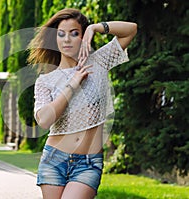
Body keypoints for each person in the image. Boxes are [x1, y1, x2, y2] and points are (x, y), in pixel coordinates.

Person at [28, 8, 137, 199]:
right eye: (61, 34)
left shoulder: (100, 62)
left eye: (74, 33)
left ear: (83, 36)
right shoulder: (45, 80)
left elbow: (131, 29)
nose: (67, 39)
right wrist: (73, 84)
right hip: (54, 160)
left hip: (88, 163)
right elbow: (44, 120)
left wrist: (95, 28)